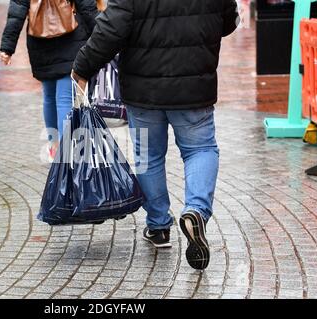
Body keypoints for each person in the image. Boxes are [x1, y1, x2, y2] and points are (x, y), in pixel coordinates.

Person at [72, 0, 239, 270]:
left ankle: (159, 226)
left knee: (148, 156)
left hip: (143, 90)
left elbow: (111, 29)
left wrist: (82, 67)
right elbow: (228, 21)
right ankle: (196, 210)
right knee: (201, 149)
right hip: (194, 85)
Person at [0, 0, 98, 161]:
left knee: (49, 96)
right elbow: (87, 8)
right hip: (71, 37)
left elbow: (16, 13)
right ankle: (66, 151)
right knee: (65, 98)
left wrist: (7, 47)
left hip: (40, 41)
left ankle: (54, 146)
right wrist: (102, 37)